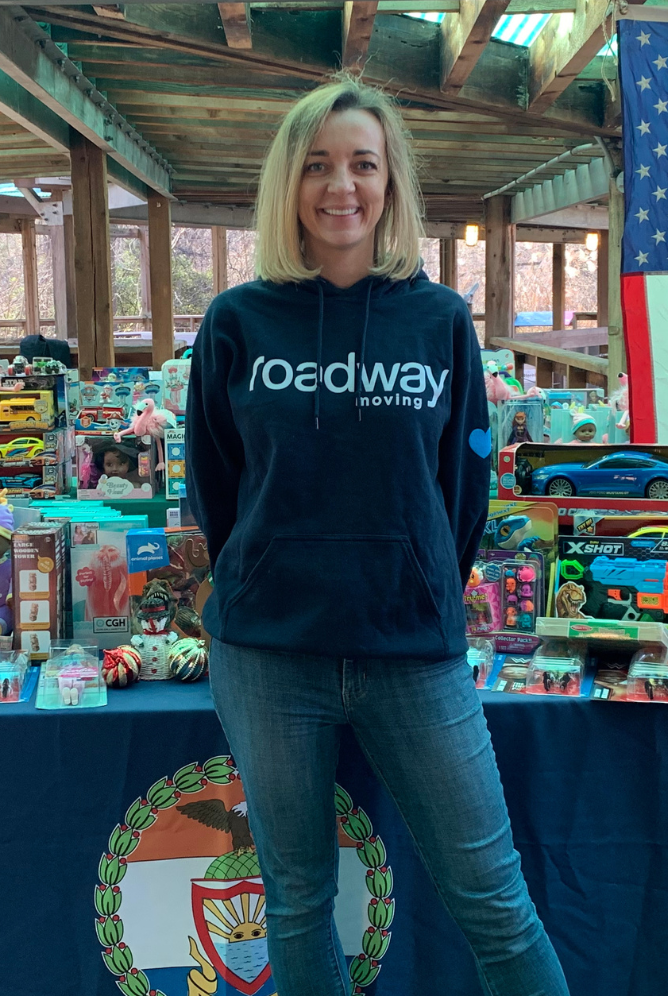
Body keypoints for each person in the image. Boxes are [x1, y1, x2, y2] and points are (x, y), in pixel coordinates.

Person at [186, 76, 569, 996]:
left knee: (495, 899)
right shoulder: (236, 322)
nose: (340, 186)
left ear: (390, 181)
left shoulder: (439, 321)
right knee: (296, 901)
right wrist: (267, 570)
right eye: (317, 165)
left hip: (413, 652)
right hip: (269, 655)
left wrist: (418, 578)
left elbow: (463, 486)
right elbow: (214, 483)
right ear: (289, 182)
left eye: (362, 163)